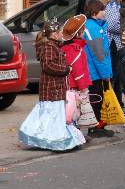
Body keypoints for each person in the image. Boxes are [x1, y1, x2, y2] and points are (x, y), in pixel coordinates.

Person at [18, 19, 85, 151]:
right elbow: (48, 65)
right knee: (53, 115)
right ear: (54, 34)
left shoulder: (53, 46)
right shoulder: (49, 47)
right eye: (60, 32)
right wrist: (66, 69)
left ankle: (57, 139)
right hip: (52, 88)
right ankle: (56, 141)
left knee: (54, 116)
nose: (62, 34)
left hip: (55, 87)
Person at [83, 0, 114, 138]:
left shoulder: (96, 26)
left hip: (96, 71)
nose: (105, 12)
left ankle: (98, 125)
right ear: (95, 12)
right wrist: (106, 74)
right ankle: (95, 127)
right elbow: (99, 55)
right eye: (103, 10)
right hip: (95, 73)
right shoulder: (93, 28)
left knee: (98, 98)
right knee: (97, 99)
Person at [60, 15, 94, 132]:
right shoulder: (76, 50)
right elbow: (78, 71)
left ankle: (73, 133)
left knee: (69, 110)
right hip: (76, 87)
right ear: (80, 33)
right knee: (76, 111)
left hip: (67, 86)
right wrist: (83, 87)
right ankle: (74, 135)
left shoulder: (64, 48)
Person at [101, 0, 125, 106]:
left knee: (117, 76)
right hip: (113, 44)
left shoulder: (114, 4)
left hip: (115, 44)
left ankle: (117, 104)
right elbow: (111, 26)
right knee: (114, 76)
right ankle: (112, 105)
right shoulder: (112, 5)